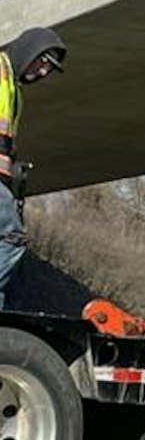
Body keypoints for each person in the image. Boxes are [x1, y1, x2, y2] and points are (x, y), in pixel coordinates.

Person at [0, 27, 66, 310]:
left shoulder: (14, 89)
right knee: (11, 238)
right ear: (30, 50)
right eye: (42, 62)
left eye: (47, 70)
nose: (41, 72)